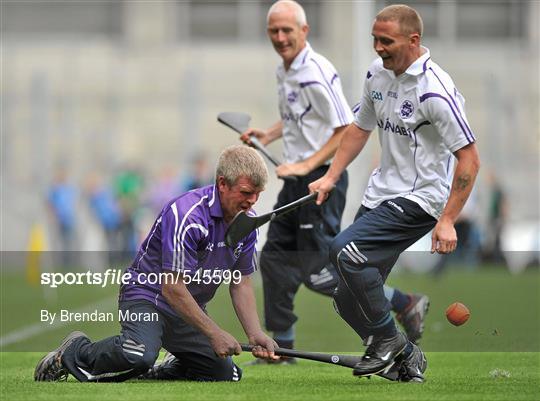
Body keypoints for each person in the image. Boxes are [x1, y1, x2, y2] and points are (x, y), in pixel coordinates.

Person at [240, 0, 430, 359]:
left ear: (304, 31)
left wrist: (306, 165)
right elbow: (301, 116)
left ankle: (404, 303)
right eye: (274, 31)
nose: (280, 38)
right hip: (296, 180)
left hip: (320, 181)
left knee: (317, 271)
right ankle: (282, 350)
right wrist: (267, 135)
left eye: (287, 31)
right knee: (275, 259)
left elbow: (344, 126)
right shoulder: (287, 70)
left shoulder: (314, 72)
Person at [309, 4, 480, 381]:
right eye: (375, 39)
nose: (378, 47)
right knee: (344, 298)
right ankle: (406, 359)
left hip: (420, 200)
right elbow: (358, 128)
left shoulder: (435, 91)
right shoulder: (377, 74)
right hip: (379, 195)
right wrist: (331, 175)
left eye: (386, 41)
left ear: (413, 40)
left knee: (345, 253)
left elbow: (468, 159)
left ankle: (388, 339)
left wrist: (448, 219)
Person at [35, 145, 277, 383]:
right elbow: (171, 288)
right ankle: (73, 352)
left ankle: (166, 367)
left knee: (225, 374)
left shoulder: (248, 224)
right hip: (148, 296)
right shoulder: (187, 215)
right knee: (137, 356)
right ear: (223, 184)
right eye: (246, 193)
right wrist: (214, 333)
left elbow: (241, 284)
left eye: (258, 194)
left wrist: (255, 334)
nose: (252, 201)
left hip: (186, 307)